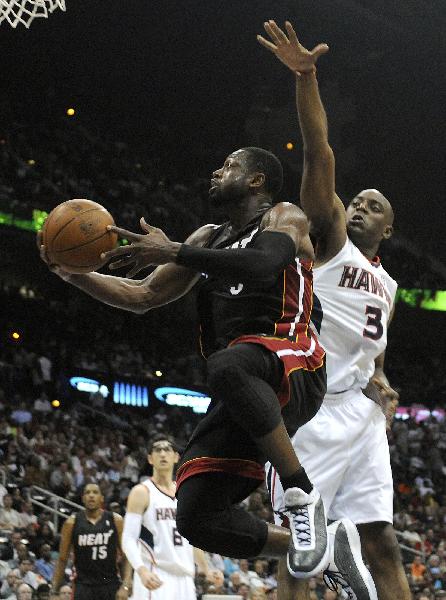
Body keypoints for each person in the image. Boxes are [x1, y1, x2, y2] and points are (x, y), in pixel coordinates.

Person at [38, 143, 329, 576]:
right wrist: (75, 274)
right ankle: (321, 549)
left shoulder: (284, 216)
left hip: (295, 361)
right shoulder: (207, 237)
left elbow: (264, 265)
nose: (216, 170)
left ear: (256, 180)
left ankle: (301, 496)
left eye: (229, 165)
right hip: (243, 387)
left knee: (229, 363)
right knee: (196, 516)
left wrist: (174, 251)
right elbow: (144, 295)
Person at [258, 20, 411, 600]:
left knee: (382, 540)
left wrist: (382, 381)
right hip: (315, 408)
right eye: (358, 200)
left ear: (388, 229)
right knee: (304, 545)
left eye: (375, 207)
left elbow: (374, 356)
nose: (362, 207)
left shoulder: (389, 287)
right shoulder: (328, 241)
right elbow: (320, 151)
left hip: (364, 418)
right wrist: (306, 79)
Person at [122, 433, 214, 599]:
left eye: (167, 449)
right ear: (150, 458)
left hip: (185, 577)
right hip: (156, 574)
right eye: (157, 450)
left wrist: (207, 569)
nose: (162, 454)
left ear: (176, 456)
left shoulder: (185, 494)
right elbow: (128, 539)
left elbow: (191, 539)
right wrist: (141, 570)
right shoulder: (141, 492)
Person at [50, 483, 131, 600]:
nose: (91, 496)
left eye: (95, 492)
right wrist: (54, 591)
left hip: (110, 584)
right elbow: (62, 559)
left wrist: (126, 585)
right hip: (83, 586)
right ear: (83, 499)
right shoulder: (71, 523)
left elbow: (126, 556)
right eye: (87, 493)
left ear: (102, 498)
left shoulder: (116, 520)